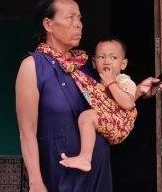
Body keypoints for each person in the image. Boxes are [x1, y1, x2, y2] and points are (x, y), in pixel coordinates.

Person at [15, 0, 162, 192]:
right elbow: (26, 133)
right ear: (48, 24)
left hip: (96, 179)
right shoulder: (33, 67)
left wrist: (138, 92)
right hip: (59, 179)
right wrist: (36, 185)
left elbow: (109, 106)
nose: (78, 24)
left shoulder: (88, 65)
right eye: (70, 18)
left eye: (80, 18)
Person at [57, 37, 139, 172]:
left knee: (86, 117)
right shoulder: (94, 83)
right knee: (86, 117)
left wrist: (112, 83)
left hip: (121, 124)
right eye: (101, 57)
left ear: (123, 64)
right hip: (108, 123)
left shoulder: (123, 80)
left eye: (113, 58)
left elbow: (128, 103)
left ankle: (85, 158)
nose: (107, 62)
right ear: (94, 63)